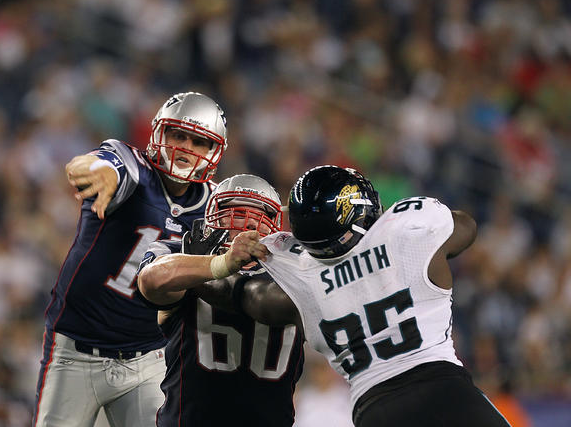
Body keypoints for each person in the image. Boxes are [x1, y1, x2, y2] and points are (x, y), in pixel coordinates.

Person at [206, 165, 513, 427]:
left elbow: (240, 296)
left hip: (374, 410)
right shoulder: (408, 234)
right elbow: (466, 227)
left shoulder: (299, 281)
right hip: (447, 392)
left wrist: (202, 264)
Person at [32, 92, 228, 427]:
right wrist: (96, 171)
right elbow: (98, 164)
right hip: (76, 351)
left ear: (214, 151)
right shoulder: (133, 166)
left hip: (148, 360)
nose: (185, 148)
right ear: (157, 133)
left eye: (198, 141)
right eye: (177, 134)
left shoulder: (215, 208)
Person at [137, 174, 305, 427]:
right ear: (210, 217)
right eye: (235, 211)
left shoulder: (298, 271)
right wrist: (220, 264)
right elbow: (152, 280)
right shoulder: (184, 253)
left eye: (260, 215)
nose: (247, 223)